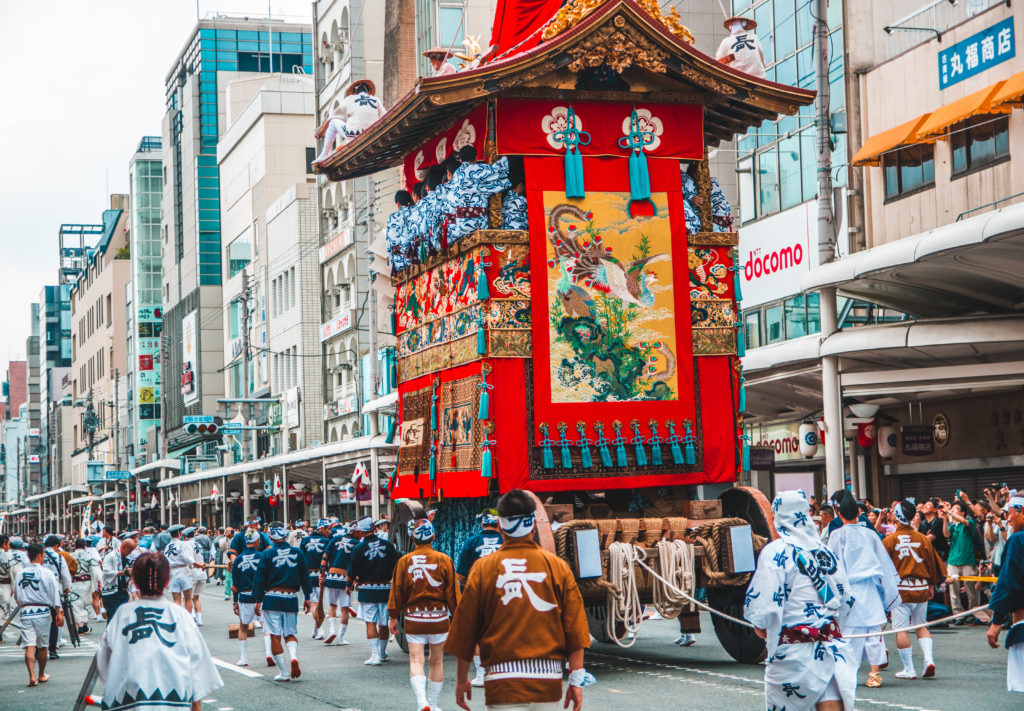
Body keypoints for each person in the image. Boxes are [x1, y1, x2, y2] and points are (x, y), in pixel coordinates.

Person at [447, 489, 589, 711]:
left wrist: (462, 678)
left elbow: (466, 630)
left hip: (502, 680)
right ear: (533, 526)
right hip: (546, 681)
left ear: (501, 526)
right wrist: (576, 680)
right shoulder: (557, 567)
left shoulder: (483, 568)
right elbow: (576, 628)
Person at [745, 490, 856, 710]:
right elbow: (845, 598)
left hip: (792, 649)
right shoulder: (824, 551)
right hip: (828, 644)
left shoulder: (775, 552)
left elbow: (763, 606)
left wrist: (762, 627)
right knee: (829, 695)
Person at [97, 552, 224, 710]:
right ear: (167, 581)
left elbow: (104, 666)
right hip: (173, 702)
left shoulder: (122, 616)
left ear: (134, 580)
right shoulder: (181, 617)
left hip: (127, 701)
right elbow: (198, 672)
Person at [827, 491, 900, 689]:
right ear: (858, 514)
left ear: (839, 514)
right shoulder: (870, 534)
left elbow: (832, 566)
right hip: (870, 589)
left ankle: (849, 672)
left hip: (848, 588)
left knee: (850, 633)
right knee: (872, 632)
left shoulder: (836, 534)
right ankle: (874, 674)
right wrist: (886, 591)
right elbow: (884, 564)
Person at [389, 518, 460, 711]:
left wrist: (393, 616)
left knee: (416, 659)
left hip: (414, 617)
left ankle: (422, 702)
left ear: (412, 537)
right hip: (439, 618)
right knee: (436, 660)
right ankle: (434, 703)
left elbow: (397, 591)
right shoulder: (444, 559)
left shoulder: (404, 561)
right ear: (433, 537)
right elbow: (453, 593)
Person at [882, 500, 946, 680]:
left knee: (901, 629)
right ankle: (928, 660)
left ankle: (909, 669)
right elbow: (933, 564)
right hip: (922, 587)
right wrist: (931, 585)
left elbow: (882, 568)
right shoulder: (922, 538)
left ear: (898, 515)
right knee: (921, 625)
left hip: (901, 590)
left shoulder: (889, 540)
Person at [252, 522, 312, 682]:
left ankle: (284, 672)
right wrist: (307, 597)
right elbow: (305, 576)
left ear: (270, 537)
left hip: (272, 597)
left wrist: (258, 600)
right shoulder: (297, 552)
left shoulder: (266, 554)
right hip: (291, 597)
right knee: (290, 633)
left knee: (275, 635)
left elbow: (259, 579)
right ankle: (293, 657)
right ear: (286, 536)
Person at [457, 508, 505, 686]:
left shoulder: (472, 541)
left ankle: (482, 674)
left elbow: (461, 572)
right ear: (498, 524)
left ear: (482, 524)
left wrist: (457, 586)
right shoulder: (506, 541)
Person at [348, 515, 400, 666]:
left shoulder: (359, 548)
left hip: (367, 589)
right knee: (383, 623)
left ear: (360, 531)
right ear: (374, 528)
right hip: (385, 588)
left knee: (371, 622)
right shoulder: (388, 545)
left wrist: (348, 585)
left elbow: (352, 570)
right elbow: (395, 565)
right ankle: (382, 652)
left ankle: (375, 655)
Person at [986, 494, 1024, 693]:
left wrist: (996, 622)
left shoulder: (1017, 540)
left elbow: (1008, 582)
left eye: (1010, 513)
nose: (1008, 519)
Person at [13, 543, 63, 687]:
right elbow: (55, 595)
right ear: (40, 555)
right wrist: (58, 613)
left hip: (26, 611)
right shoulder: (47, 573)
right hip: (42, 611)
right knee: (42, 646)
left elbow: (17, 595)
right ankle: (41, 674)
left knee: (29, 645)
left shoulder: (21, 573)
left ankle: (32, 676)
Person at [444, 147, 511, 244]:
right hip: (478, 223)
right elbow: (500, 169)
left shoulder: (455, 177)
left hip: (460, 226)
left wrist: (452, 229)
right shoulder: (477, 169)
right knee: (489, 187)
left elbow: (450, 203)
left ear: (461, 160)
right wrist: (505, 156)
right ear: (476, 158)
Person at [313, 79, 387, 165]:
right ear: (369, 92)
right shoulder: (375, 100)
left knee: (333, 122)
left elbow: (332, 117)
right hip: (372, 135)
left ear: (354, 93)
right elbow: (384, 117)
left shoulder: (349, 99)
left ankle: (324, 155)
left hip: (353, 135)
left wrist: (320, 132)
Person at [941, 500, 987, 624]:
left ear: (962, 512)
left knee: (971, 590)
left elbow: (965, 521)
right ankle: (959, 615)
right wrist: (945, 519)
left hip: (968, 560)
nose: (953, 510)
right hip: (953, 561)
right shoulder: (952, 526)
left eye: (956, 508)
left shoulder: (969, 523)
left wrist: (949, 512)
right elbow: (946, 535)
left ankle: (973, 613)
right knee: (953, 590)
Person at [231, 528, 270, 667]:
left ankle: (244, 658)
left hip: (245, 596)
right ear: (257, 541)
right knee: (267, 626)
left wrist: (234, 601)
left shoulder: (238, 559)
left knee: (243, 627)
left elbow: (235, 583)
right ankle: (269, 654)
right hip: (261, 596)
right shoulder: (262, 556)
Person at [321, 519, 362, 646]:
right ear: (355, 532)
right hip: (346, 579)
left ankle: (332, 630)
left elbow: (324, 559)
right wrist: (357, 580)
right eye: (359, 532)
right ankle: (340, 637)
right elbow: (357, 565)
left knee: (332, 605)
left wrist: (322, 575)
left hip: (332, 575)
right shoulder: (356, 544)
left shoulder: (335, 539)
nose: (361, 534)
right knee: (344, 608)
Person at [299, 519, 330, 641]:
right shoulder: (327, 541)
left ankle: (316, 629)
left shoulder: (305, 540)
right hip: (322, 574)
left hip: (307, 575)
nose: (329, 531)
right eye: (327, 528)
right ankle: (320, 628)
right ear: (321, 529)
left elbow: (300, 558)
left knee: (314, 603)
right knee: (317, 604)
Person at [42, 535, 71, 656]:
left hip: (41, 591)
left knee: (42, 617)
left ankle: (40, 645)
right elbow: (65, 576)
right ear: (56, 546)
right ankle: (55, 644)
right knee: (57, 617)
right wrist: (67, 588)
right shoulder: (59, 557)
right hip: (56, 589)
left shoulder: (40, 557)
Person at [101, 538, 136, 621]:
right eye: (129, 550)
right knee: (113, 619)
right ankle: (109, 634)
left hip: (122, 591)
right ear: (123, 546)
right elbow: (106, 572)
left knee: (122, 620)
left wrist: (127, 571)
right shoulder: (111, 556)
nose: (130, 553)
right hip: (111, 593)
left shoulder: (124, 558)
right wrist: (123, 573)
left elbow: (124, 572)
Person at [164, 525, 197, 613]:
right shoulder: (182, 544)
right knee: (188, 598)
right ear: (180, 533)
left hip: (172, 573)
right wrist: (197, 564)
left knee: (176, 600)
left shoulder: (167, 546)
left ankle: (177, 619)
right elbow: (187, 557)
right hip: (183, 572)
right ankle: (188, 619)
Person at [70, 539, 96, 636]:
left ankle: (79, 626)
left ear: (75, 547)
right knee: (86, 604)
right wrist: (97, 583)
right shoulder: (89, 556)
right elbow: (95, 570)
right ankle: (85, 625)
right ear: (85, 547)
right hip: (87, 582)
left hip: (74, 583)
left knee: (76, 605)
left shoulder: (70, 556)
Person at [386, 191, 415, 272]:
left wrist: (392, 261)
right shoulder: (414, 212)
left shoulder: (392, 218)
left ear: (398, 203)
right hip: (416, 258)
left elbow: (388, 243)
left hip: (399, 262)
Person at [185, 527, 208, 625]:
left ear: (185, 536)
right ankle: (199, 619)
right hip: (202, 572)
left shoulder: (186, 544)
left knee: (188, 598)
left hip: (193, 572)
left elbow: (188, 559)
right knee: (196, 598)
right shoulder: (197, 543)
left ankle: (192, 616)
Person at [0, 534, 18, 639]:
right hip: (4, 586)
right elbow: (15, 572)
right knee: (3, 609)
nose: (9, 547)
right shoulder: (9, 557)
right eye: (8, 544)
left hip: (4, 584)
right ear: (4, 544)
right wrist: (14, 589)